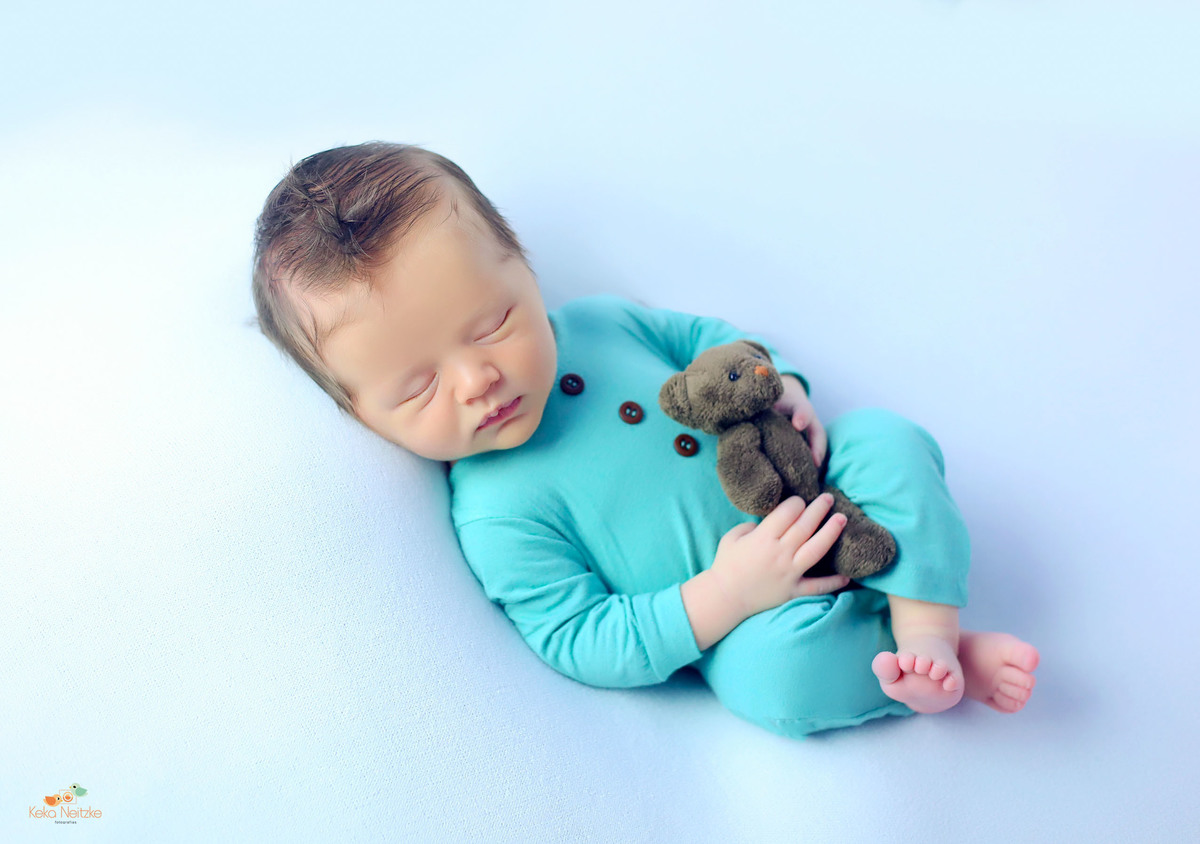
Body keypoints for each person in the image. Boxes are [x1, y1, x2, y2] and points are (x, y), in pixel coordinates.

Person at [251, 142, 1039, 738]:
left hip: (822, 486)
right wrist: (727, 594)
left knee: (884, 438)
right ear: (362, 416)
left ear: (523, 266)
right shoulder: (496, 510)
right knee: (772, 683)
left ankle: (926, 620)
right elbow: (579, 638)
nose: (476, 381)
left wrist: (781, 383)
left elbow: (708, 340)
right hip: (760, 619)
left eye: (492, 323)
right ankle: (928, 667)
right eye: (418, 386)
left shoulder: (601, 323)